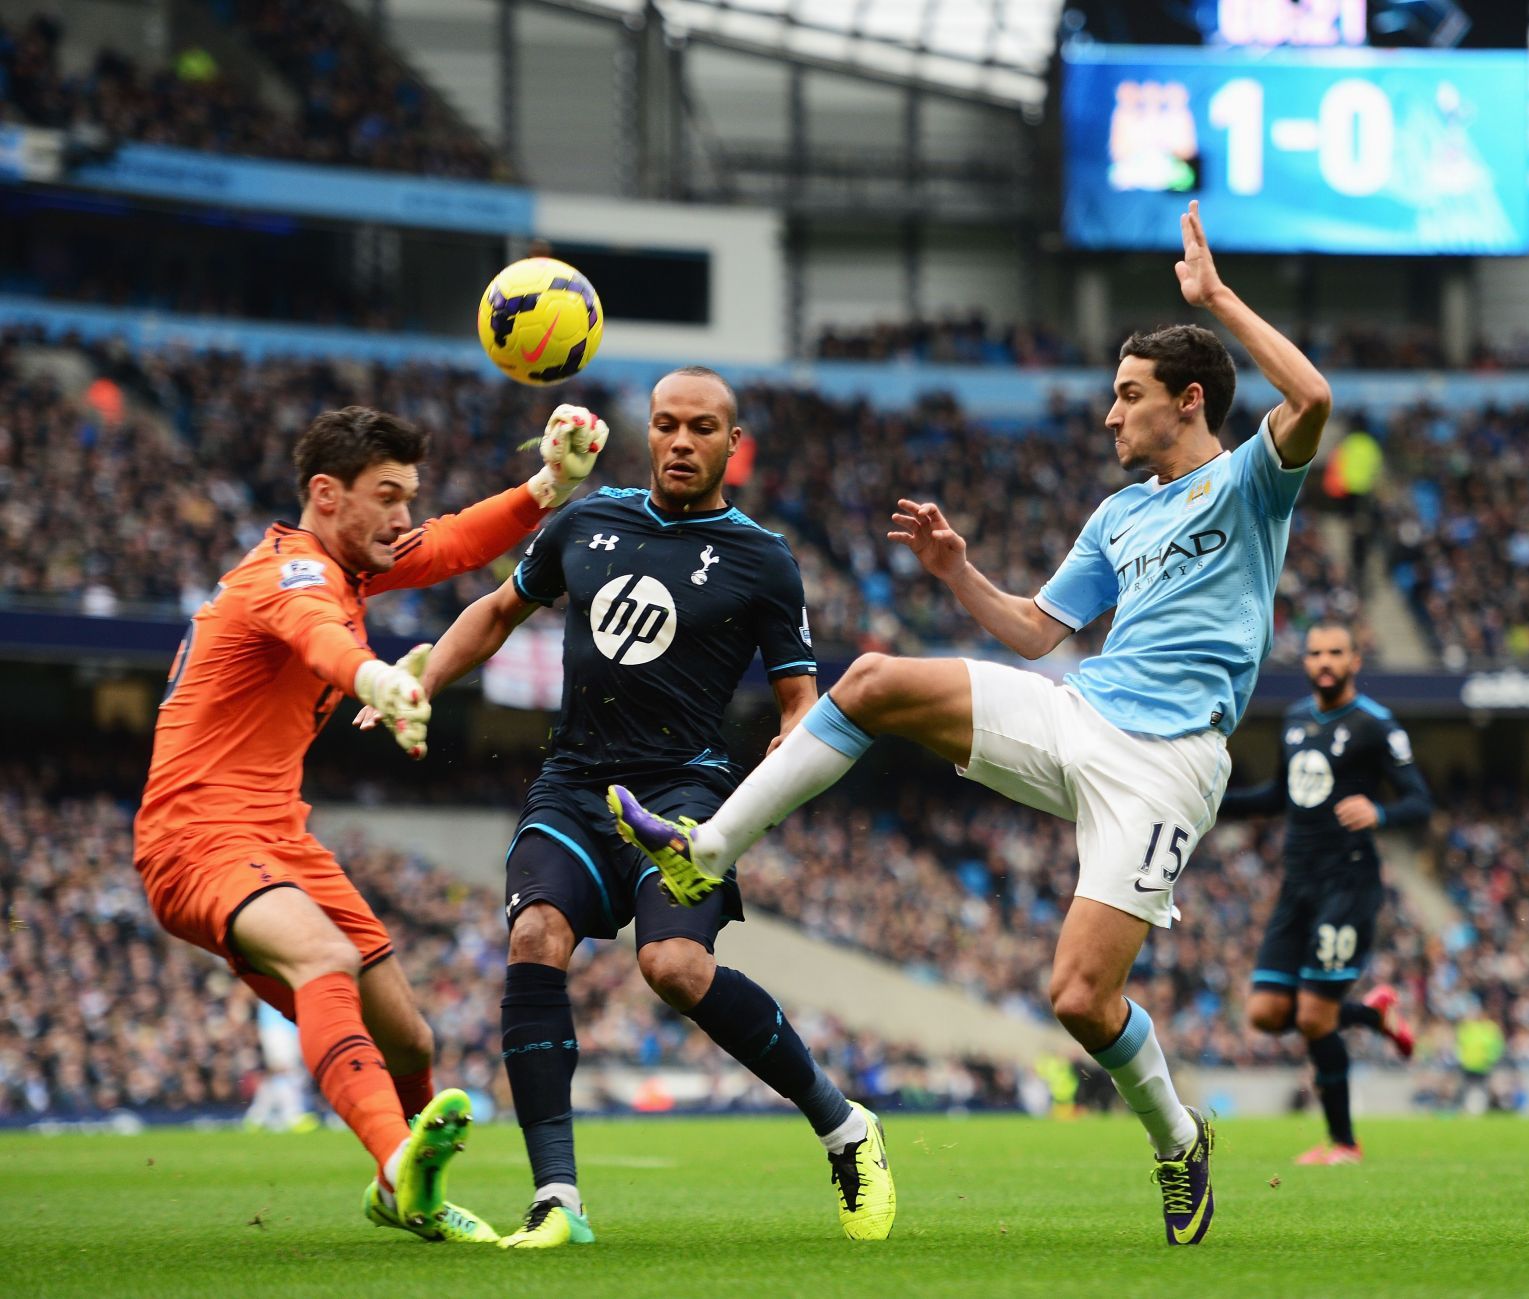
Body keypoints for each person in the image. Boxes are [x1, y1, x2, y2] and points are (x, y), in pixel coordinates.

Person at [610, 202, 1330, 1246]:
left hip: (1167, 766)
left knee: (1082, 999)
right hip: (1079, 712)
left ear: (1188, 401)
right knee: (870, 682)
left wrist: (1215, 298)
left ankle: (1178, 1142)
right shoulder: (1117, 515)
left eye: (1126, 396)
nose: (1107, 415)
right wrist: (959, 574)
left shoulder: (1252, 481)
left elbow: (1311, 394)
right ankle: (708, 848)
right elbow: (1037, 632)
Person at [391, 366, 894, 1248]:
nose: (681, 442)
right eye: (667, 425)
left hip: (686, 795)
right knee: (535, 934)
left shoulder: (764, 558)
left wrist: (789, 746)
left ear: (732, 446)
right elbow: (501, 609)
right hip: (574, 783)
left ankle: (844, 1125)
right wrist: (421, 679)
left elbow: (798, 696)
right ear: (648, 433)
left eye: (703, 428)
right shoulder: (587, 520)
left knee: (672, 969)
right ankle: (558, 1199)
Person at [135, 402, 606, 1242]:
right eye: (388, 495)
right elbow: (318, 638)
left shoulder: (344, 565)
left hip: (279, 835)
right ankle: (398, 1174)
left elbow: (452, 542)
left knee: (408, 1035)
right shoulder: (289, 575)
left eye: (409, 495)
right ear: (327, 493)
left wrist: (551, 484)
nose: (403, 516)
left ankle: (417, 1186)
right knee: (325, 955)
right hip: (196, 837)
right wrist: (378, 681)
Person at [1216, 621, 1431, 1165]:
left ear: (1356, 659)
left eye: (1336, 652)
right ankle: (1372, 1016)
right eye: (1315, 653)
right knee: (1265, 1012)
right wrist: (1212, 802)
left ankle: (1344, 1142)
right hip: (1298, 884)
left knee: (1313, 1017)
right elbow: (1277, 796)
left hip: (1348, 883)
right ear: (1306, 662)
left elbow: (1418, 801)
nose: (1325, 661)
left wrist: (1379, 811)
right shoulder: (1294, 719)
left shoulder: (1375, 725)